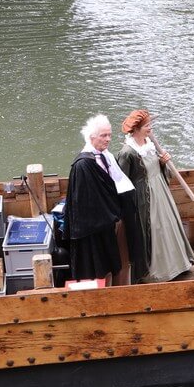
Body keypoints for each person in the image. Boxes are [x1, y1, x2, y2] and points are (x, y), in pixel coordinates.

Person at [116, 110, 194, 283]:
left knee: (168, 226)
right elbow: (122, 183)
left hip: (160, 191)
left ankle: (178, 264)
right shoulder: (127, 153)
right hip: (145, 199)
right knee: (154, 230)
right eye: (147, 126)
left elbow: (159, 171)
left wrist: (163, 163)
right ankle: (157, 272)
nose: (150, 128)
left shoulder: (149, 144)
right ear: (136, 129)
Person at [65, 114, 128, 284]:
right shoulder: (83, 165)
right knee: (96, 268)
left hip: (106, 223)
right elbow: (83, 203)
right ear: (92, 137)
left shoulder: (105, 157)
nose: (108, 139)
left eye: (109, 135)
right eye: (103, 136)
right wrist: (111, 215)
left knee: (110, 265)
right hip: (91, 229)